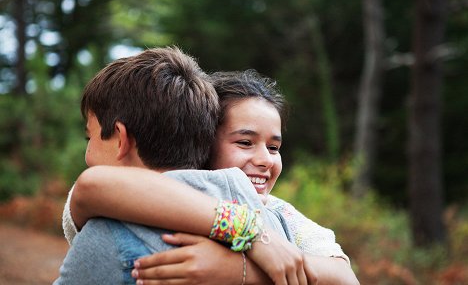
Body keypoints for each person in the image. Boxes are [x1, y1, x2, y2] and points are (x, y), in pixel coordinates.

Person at [62, 69, 359, 284]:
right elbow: (94, 187)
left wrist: (238, 270)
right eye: (244, 142)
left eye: (274, 147)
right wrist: (251, 233)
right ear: (205, 141)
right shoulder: (137, 193)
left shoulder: (281, 213)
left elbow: (344, 276)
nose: (265, 159)